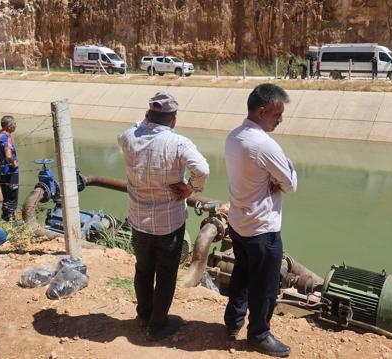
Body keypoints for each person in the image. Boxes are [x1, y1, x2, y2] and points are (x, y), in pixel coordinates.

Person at [117, 91, 210, 341]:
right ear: (174, 119)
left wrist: (143, 123)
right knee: (166, 273)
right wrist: (191, 188)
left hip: (138, 221)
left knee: (143, 269)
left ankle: (143, 315)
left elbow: (130, 131)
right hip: (169, 223)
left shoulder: (128, 138)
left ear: (149, 114)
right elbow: (201, 169)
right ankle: (158, 325)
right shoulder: (178, 143)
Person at [224, 84, 297, 357]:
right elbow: (289, 185)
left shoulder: (233, 136)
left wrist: (271, 176)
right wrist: (283, 169)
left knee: (241, 274)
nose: (280, 119)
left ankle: (232, 323)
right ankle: (259, 334)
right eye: (277, 114)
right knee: (265, 285)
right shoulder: (265, 145)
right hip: (262, 228)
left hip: (239, 222)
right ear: (263, 111)